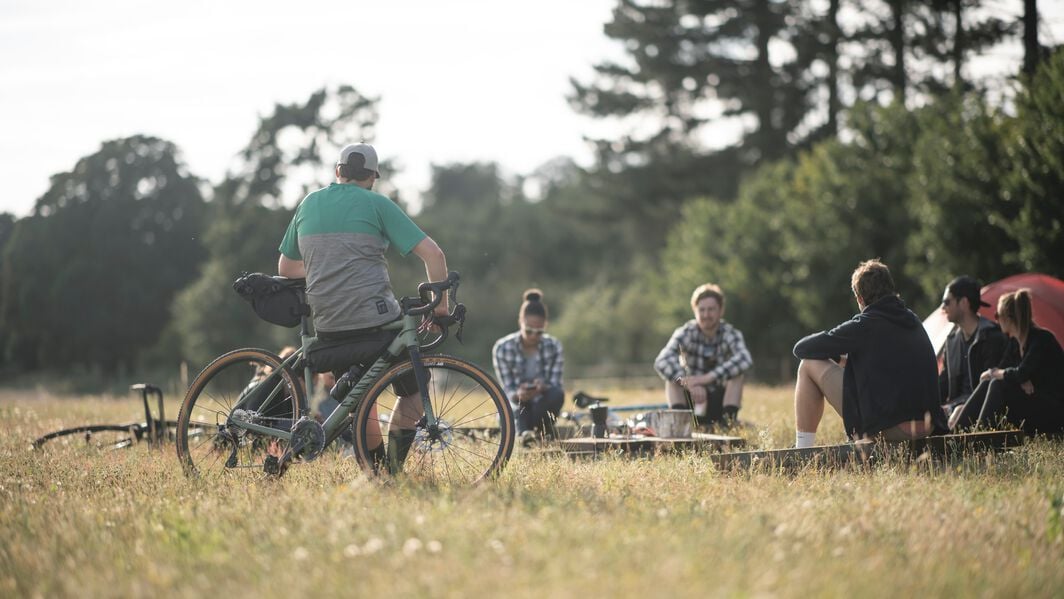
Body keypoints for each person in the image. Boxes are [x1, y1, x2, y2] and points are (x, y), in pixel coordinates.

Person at [278, 143, 448, 470]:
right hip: (374, 321)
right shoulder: (376, 204)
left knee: (360, 399)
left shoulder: (309, 203)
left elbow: (286, 267)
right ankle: (392, 469)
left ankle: (376, 470)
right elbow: (434, 256)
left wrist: (325, 268)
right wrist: (439, 308)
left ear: (337, 171)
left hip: (328, 323)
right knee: (415, 388)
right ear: (372, 177)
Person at [791, 259, 947, 448]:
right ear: (891, 290)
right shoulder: (913, 320)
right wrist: (843, 360)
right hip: (929, 426)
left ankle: (802, 449)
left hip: (893, 429)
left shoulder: (865, 324)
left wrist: (833, 353)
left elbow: (801, 348)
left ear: (860, 299)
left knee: (808, 364)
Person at [949, 289, 1064, 435]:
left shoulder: (1041, 339)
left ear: (1008, 318)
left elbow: (1019, 373)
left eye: (997, 315)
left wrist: (1011, 376)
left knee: (998, 383)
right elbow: (1008, 372)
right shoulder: (1015, 343)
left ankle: (976, 441)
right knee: (989, 383)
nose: (996, 320)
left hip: (1053, 414)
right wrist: (1012, 377)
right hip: (1032, 406)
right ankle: (953, 437)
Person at [654, 283, 752, 429]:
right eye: (702, 310)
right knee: (673, 379)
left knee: (737, 376)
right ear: (695, 311)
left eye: (711, 309)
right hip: (691, 400)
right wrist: (688, 382)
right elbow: (661, 361)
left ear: (721, 310)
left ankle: (727, 425)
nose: (706, 315)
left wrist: (706, 379)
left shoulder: (730, 333)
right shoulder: (686, 332)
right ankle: (681, 427)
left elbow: (745, 359)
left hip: (719, 400)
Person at [492, 289, 565, 446]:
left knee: (557, 394)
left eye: (538, 332)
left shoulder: (554, 346)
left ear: (545, 326)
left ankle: (527, 433)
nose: (533, 336)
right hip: (518, 405)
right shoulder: (502, 348)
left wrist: (542, 387)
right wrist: (519, 394)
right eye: (529, 330)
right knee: (515, 408)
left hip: (542, 404)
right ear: (520, 322)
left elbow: (555, 385)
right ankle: (528, 434)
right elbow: (507, 390)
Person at [938, 276, 1006, 417]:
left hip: (980, 411)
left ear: (963, 303)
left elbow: (988, 389)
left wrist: (955, 408)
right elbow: (942, 386)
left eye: (946, 301)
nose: (943, 307)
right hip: (954, 408)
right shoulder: (951, 342)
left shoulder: (991, 336)